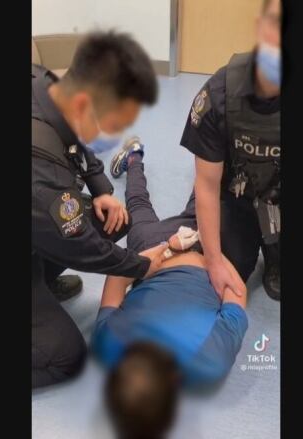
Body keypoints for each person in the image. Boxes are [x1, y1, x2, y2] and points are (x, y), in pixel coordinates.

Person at [31, 31, 169, 388]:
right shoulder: (44, 175)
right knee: (65, 357)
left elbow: (75, 139)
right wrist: (142, 265)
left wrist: (101, 187)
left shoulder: (43, 84)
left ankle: (41, 279)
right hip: (39, 207)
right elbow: (78, 244)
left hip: (36, 215)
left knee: (110, 218)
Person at [95, 138, 249, 438]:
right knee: (198, 199)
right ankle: (138, 158)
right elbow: (238, 292)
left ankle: (135, 157)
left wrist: (171, 248)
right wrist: (203, 252)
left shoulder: (209, 362)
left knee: (160, 205)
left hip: (165, 250)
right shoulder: (108, 346)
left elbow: (236, 293)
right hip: (177, 249)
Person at [176, 0, 283, 300]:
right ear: (261, 28)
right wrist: (213, 260)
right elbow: (208, 186)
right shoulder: (219, 93)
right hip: (236, 191)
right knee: (224, 272)